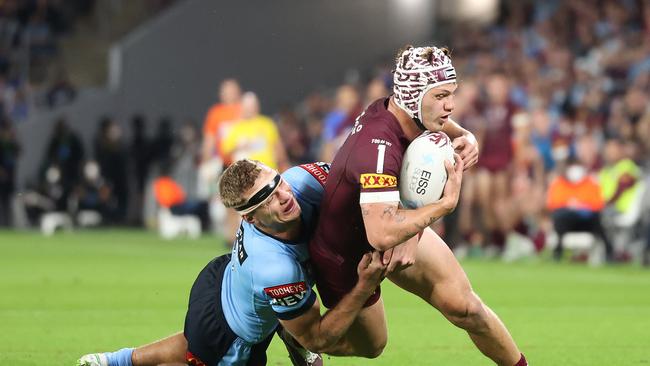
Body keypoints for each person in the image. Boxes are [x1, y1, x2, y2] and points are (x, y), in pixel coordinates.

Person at [308, 45, 527, 365]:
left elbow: (441, 126)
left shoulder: (400, 111)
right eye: (440, 97)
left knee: (466, 307)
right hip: (347, 253)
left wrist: (467, 135)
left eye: (451, 93)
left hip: (391, 218)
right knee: (372, 346)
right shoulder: (378, 147)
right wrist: (443, 206)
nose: (450, 105)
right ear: (412, 97)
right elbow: (382, 236)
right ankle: (300, 339)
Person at [78, 160, 388, 366]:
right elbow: (317, 337)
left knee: (191, 345)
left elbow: (355, 177)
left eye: (277, 182)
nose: (282, 195)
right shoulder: (275, 268)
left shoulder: (301, 180)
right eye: (265, 197)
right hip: (234, 337)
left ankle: (115, 360)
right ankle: (289, 328)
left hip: (223, 278)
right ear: (249, 217)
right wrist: (363, 287)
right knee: (196, 355)